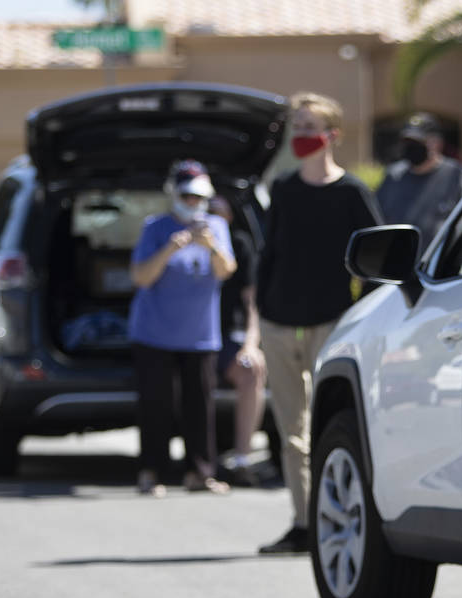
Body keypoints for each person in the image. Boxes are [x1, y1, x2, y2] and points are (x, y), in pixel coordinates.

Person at [255, 92, 383, 554]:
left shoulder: (351, 193)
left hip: (331, 323)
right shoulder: (284, 189)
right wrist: (257, 320)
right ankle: (303, 523)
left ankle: (336, 519)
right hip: (277, 321)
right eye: (297, 126)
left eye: (310, 126)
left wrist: (359, 316)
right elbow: (267, 256)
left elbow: (376, 259)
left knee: (329, 427)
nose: (301, 135)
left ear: (332, 135)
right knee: (292, 433)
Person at [129, 160, 237, 497]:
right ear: (173, 194)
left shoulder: (216, 227)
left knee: (200, 406)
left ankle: (200, 473)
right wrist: (171, 248)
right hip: (154, 333)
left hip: (200, 335)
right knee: (156, 404)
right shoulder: (155, 227)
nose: (192, 204)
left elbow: (226, 270)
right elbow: (141, 276)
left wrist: (211, 247)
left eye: (198, 198)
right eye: (186, 196)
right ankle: (152, 471)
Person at [208, 195, 269, 487]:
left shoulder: (240, 245)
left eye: (218, 213)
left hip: (227, 339)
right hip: (189, 339)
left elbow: (251, 302)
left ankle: (243, 460)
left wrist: (251, 344)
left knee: (251, 368)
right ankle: (198, 460)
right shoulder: (177, 240)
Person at [375, 111, 462, 250]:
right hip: (397, 265)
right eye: (408, 142)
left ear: (437, 143)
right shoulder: (393, 176)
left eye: (418, 142)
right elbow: (378, 220)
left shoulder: (455, 175)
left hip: (439, 267)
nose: (412, 147)